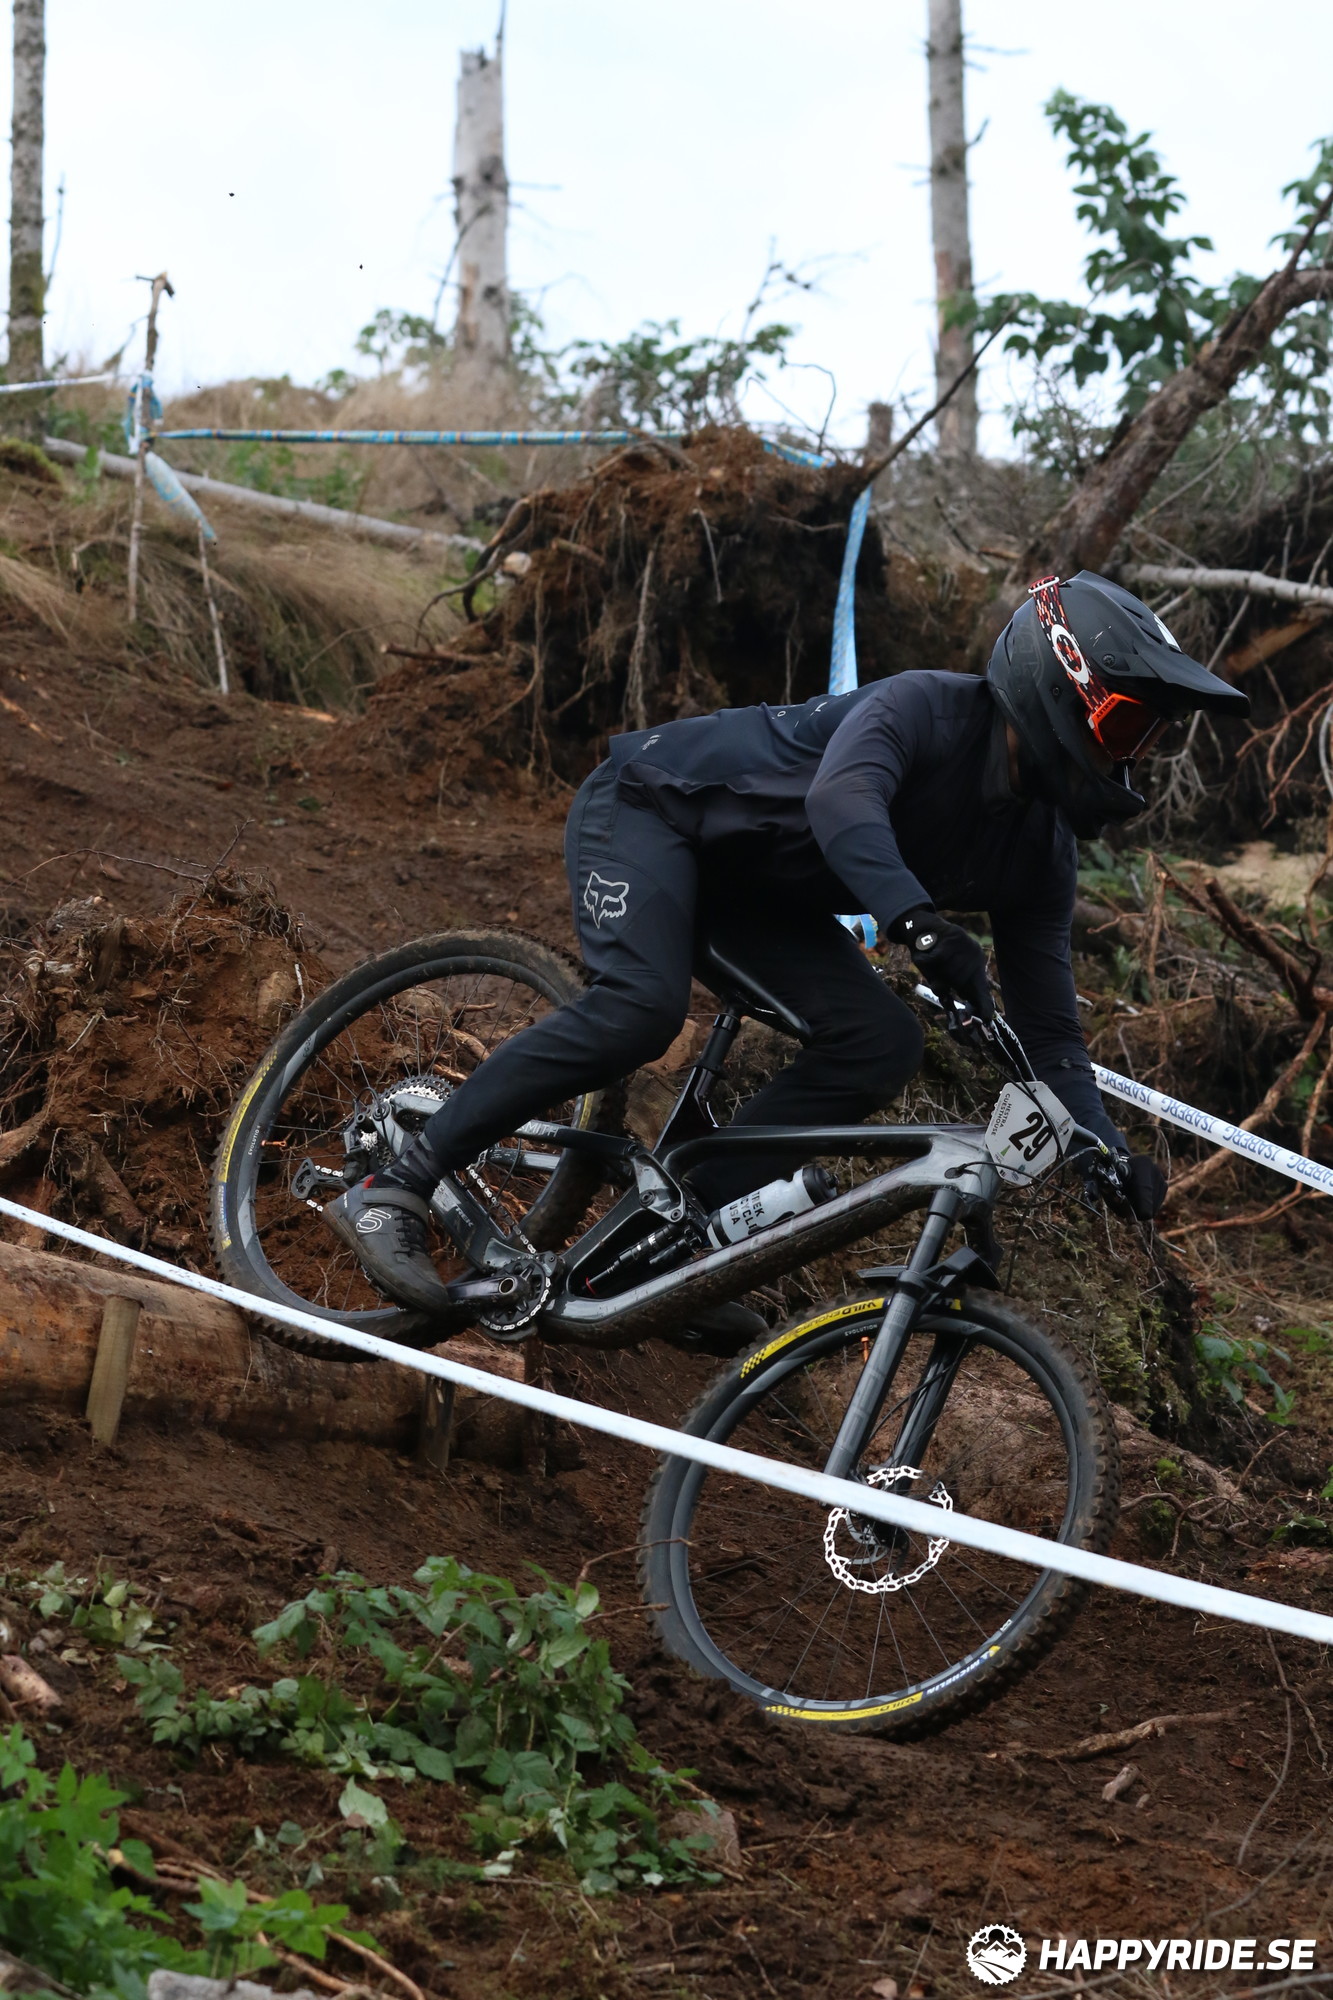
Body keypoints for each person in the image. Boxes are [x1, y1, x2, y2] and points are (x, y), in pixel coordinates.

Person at [326, 570, 1249, 1314]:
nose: (1131, 756)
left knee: (879, 1042)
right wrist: (917, 921)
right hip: (652, 815)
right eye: (1126, 725)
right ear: (1059, 686)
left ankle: (675, 1237)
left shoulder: (1039, 854)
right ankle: (396, 1181)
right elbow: (841, 803)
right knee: (640, 1011)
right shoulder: (925, 709)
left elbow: (1049, 1036)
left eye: (1146, 737)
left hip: (756, 900)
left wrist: (1100, 1147)